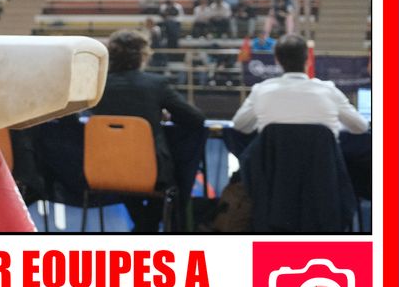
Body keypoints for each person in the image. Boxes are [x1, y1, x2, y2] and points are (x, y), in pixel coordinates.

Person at [88, 30, 206, 232]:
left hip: (103, 168)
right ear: (143, 56)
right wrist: (168, 115)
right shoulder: (155, 84)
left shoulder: (97, 85)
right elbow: (196, 119)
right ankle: (146, 228)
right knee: (172, 181)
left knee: (126, 180)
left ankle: (143, 228)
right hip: (150, 171)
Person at [232, 35, 369, 135]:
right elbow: (361, 127)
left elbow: (239, 125)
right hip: (321, 166)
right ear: (308, 59)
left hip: (276, 167)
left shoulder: (260, 91)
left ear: (277, 60)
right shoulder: (329, 91)